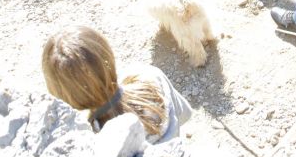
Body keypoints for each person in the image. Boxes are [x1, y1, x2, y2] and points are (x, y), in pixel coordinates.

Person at [41, 25, 191, 143]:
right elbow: (184, 113)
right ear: (107, 55)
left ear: (65, 96)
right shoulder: (148, 75)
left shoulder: (92, 141)